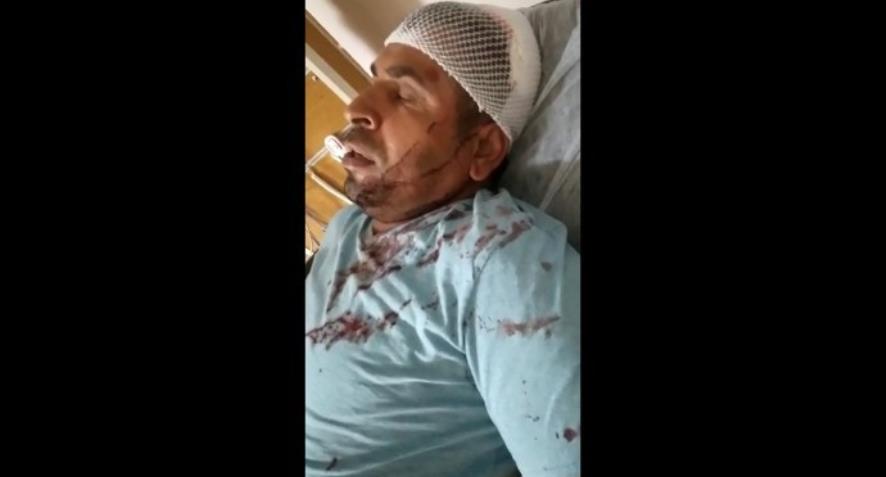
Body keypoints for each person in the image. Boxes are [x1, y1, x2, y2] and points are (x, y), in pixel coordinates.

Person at [305, 3, 580, 475]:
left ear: (482, 149)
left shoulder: (499, 262)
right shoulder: (348, 226)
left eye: (404, 95)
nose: (356, 107)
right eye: (375, 81)